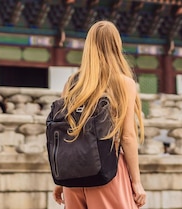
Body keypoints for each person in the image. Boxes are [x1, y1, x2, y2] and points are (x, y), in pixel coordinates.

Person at [52, 21, 147, 209]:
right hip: (107, 172)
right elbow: (127, 136)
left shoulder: (72, 83)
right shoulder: (123, 83)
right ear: (116, 45)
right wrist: (136, 182)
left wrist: (60, 181)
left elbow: (65, 134)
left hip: (73, 177)